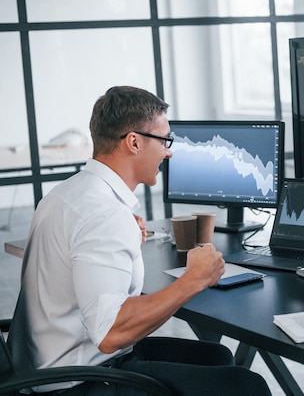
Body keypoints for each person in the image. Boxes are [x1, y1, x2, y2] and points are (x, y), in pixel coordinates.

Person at [8, 86, 271, 395]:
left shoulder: (68, 194)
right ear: (133, 142)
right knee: (246, 385)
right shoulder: (103, 214)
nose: (169, 151)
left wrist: (122, 233)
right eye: (165, 140)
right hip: (75, 381)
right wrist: (194, 279)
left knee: (216, 357)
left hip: (42, 365)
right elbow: (110, 333)